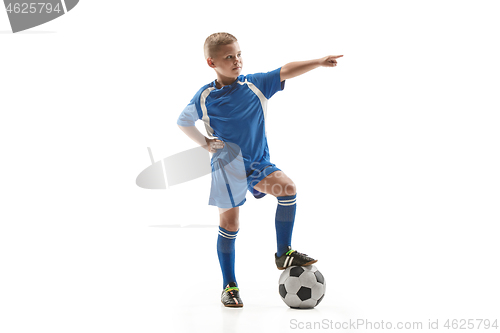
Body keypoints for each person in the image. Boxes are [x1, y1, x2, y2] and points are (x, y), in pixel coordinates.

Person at [177, 32, 342, 307]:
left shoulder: (254, 84)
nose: (236, 60)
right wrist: (206, 143)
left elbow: (285, 70)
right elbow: (183, 121)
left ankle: (283, 252)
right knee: (230, 225)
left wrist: (318, 62)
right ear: (211, 62)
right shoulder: (205, 96)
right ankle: (229, 286)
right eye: (229, 57)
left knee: (288, 188)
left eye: (239, 54)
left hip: (257, 165)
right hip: (226, 169)